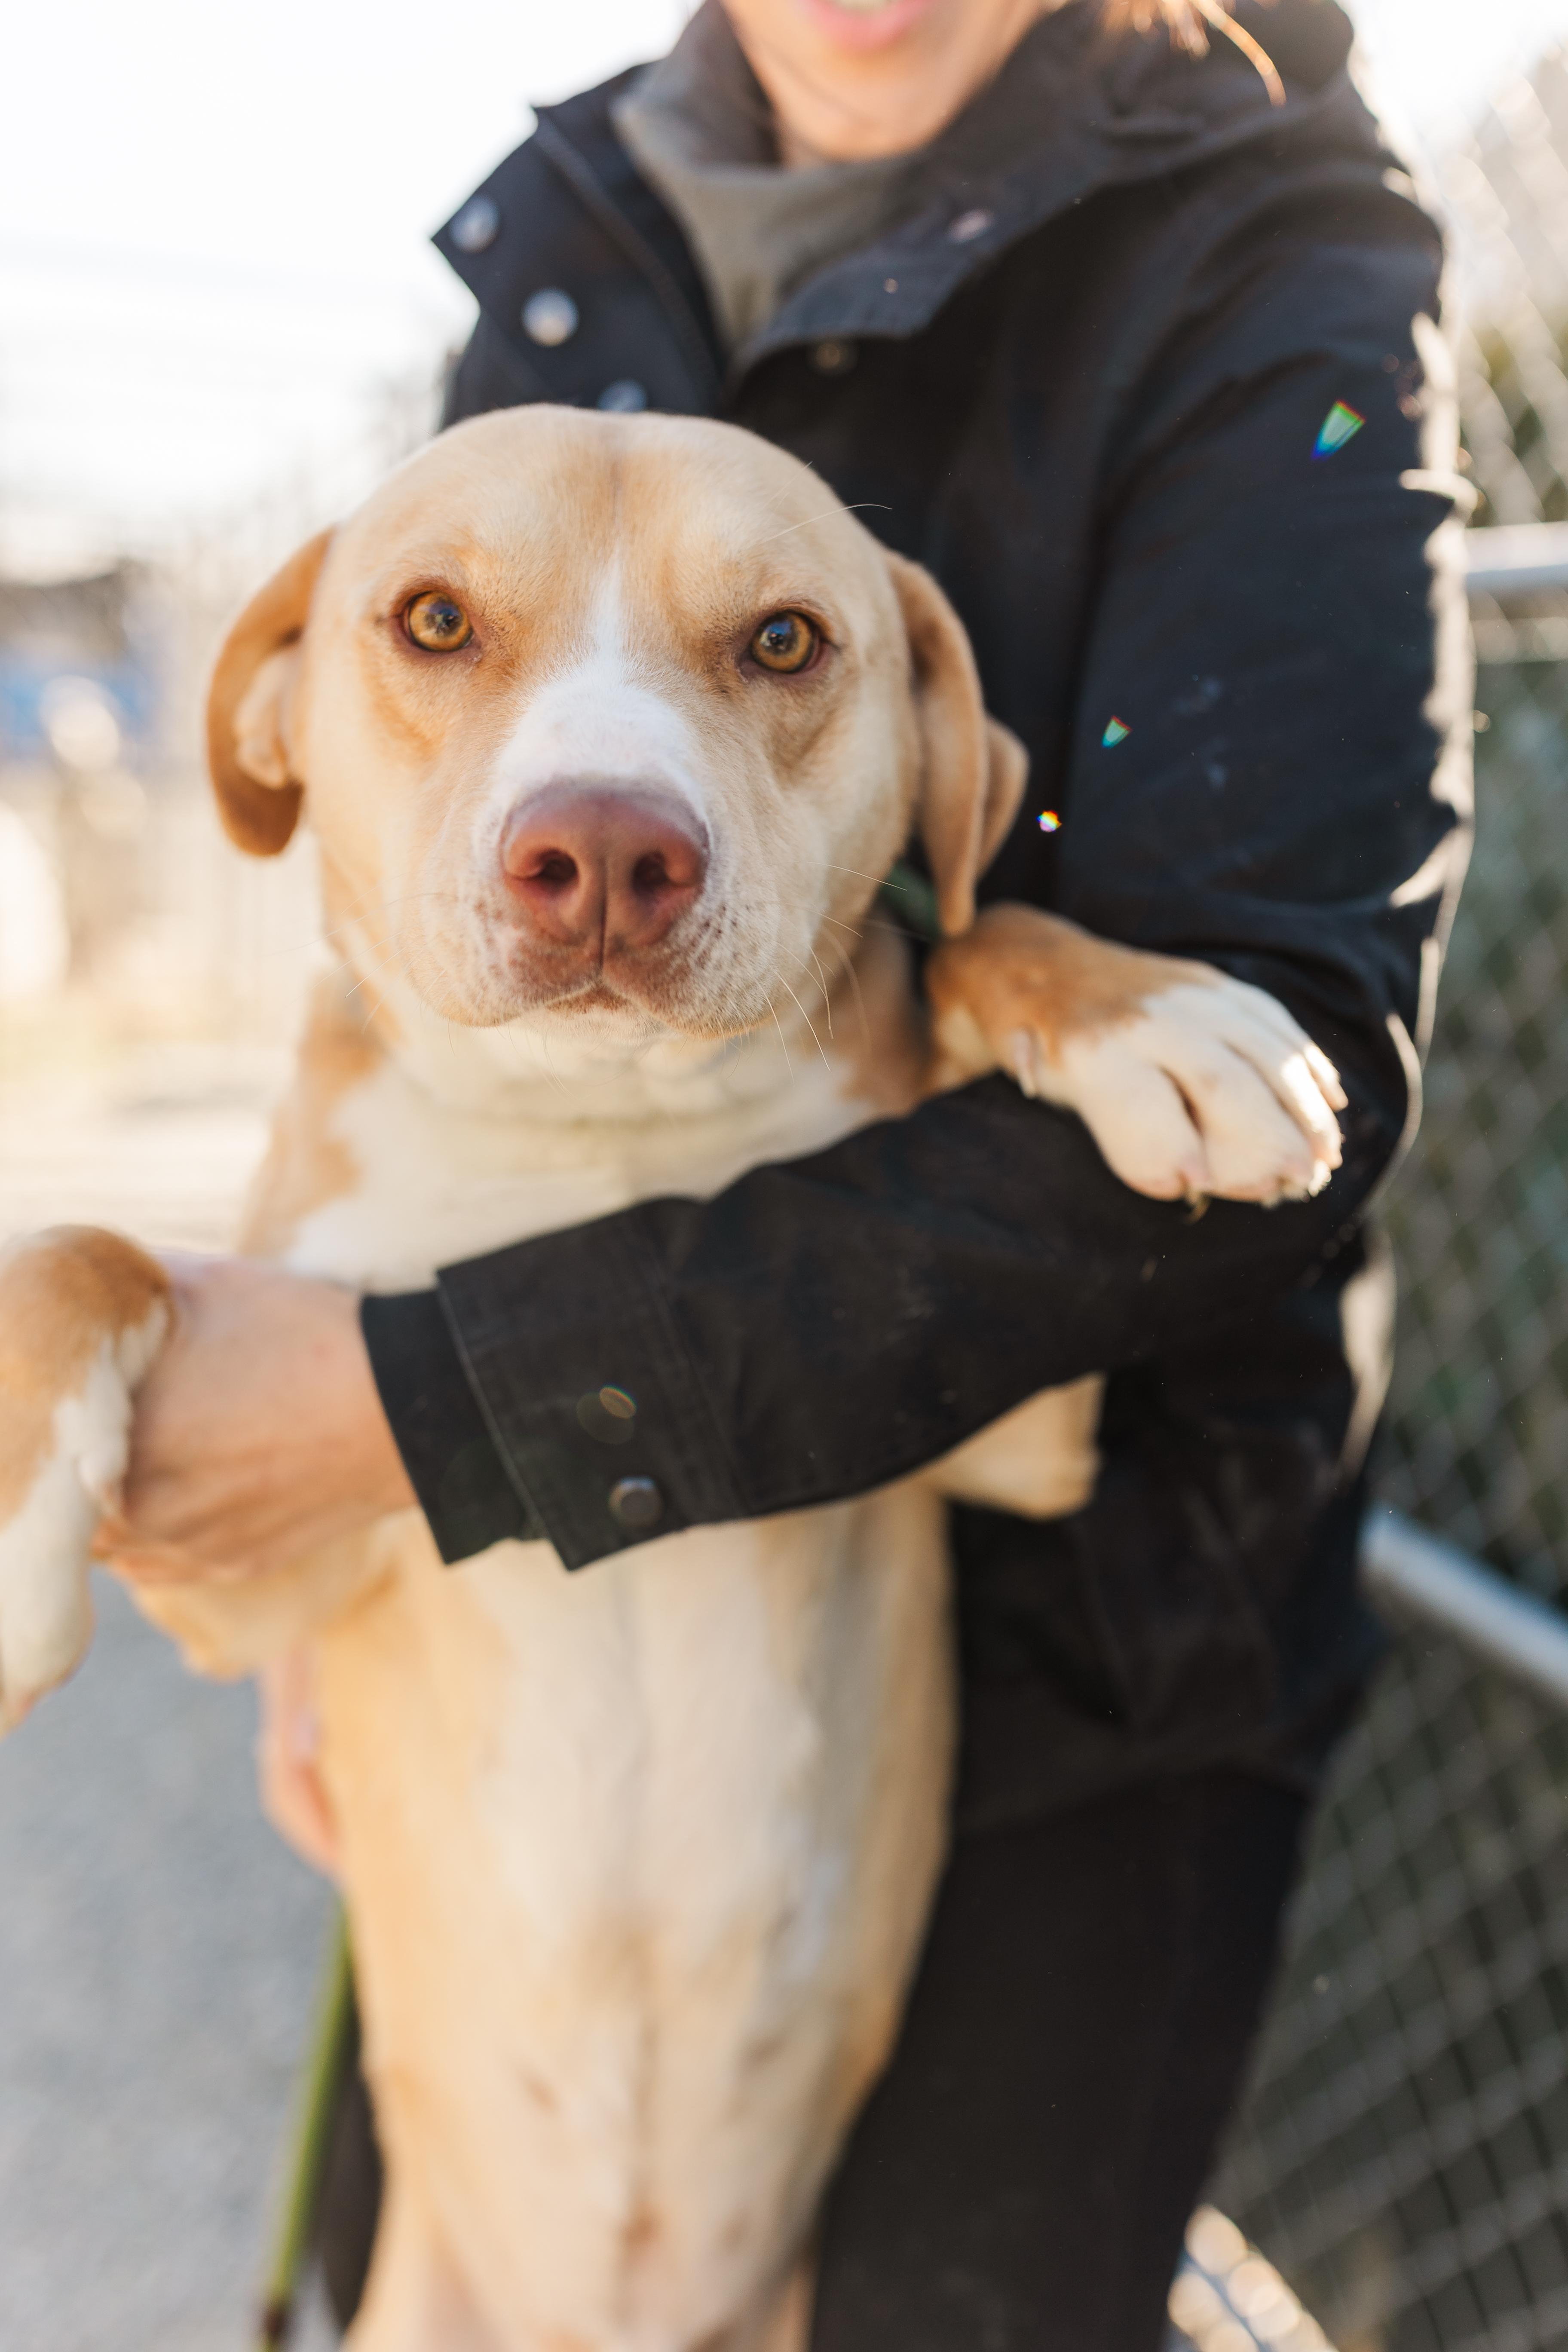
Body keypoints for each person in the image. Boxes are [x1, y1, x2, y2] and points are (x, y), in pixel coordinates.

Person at [110, 0, 1471, 2342]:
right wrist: (325, 1543)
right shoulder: (573, 220)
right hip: (526, 1562)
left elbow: (1281, 1067)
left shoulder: (1274, 236)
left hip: (1098, 1621)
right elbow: (403, 926)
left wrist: (400, 1409)